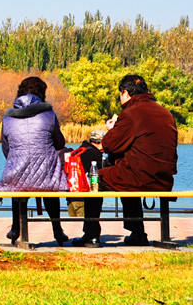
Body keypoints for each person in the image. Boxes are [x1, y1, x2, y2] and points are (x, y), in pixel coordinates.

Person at [75, 74, 178, 247]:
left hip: (139, 177)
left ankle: (91, 235)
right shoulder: (165, 113)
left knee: (94, 179)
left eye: (120, 95)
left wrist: (112, 128)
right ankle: (138, 234)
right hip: (164, 179)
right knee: (125, 173)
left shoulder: (130, 113)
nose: (120, 99)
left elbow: (109, 145)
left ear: (125, 93)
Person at [0, 76, 69, 246]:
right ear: (42, 94)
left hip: (17, 174)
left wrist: (17, 161)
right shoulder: (49, 115)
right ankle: (57, 230)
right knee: (49, 182)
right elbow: (60, 143)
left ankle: (15, 229)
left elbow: (6, 148)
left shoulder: (8, 118)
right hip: (46, 173)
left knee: (16, 180)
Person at [66, 130, 106, 218]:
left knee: (73, 224)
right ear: (99, 142)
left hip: (72, 195)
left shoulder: (80, 149)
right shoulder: (94, 153)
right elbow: (98, 176)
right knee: (88, 222)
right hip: (85, 198)